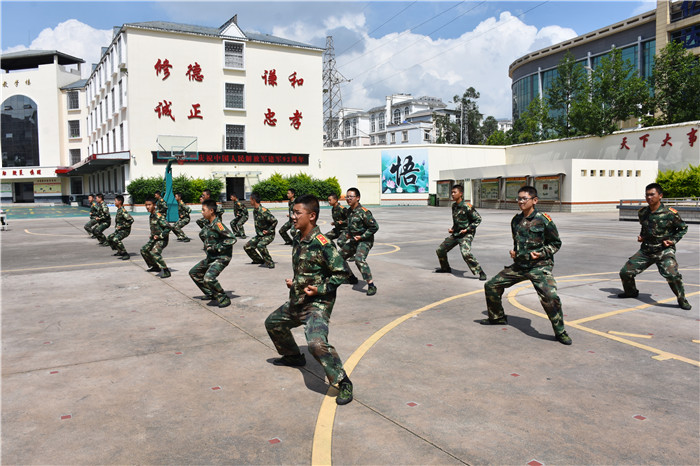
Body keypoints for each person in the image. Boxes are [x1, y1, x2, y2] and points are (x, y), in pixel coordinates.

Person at [265, 194, 353, 405]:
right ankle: (294, 356)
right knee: (273, 323)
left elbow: (342, 272)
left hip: (317, 304)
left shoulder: (323, 243)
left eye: (297, 213)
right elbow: (306, 269)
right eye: (292, 212)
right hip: (299, 299)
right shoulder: (298, 238)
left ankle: (343, 382)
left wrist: (319, 289)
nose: (293, 217)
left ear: (311, 216)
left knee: (316, 344)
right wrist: (295, 282)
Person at [481, 186, 572, 345]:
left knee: (550, 297)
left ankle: (560, 331)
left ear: (534, 200)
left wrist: (541, 253)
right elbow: (517, 242)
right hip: (520, 265)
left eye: (524, 198)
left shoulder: (544, 220)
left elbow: (556, 243)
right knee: (491, 285)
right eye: (519, 198)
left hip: (539, 266)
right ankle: (497, 317)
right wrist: (515, 253)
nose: (521, 201)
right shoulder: (516, 220)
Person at [618, 183, 691, 310]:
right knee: (625, 272)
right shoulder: (643, 212)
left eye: (652, 194)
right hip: (646, 250)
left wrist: (672, 240)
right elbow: (645, 227)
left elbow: (682, 228)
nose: (649, 197)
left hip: (664, 250)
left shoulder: (670, 213)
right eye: (647, 195)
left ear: (660, 196)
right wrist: (642, 236)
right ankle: (631, 292)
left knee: (672, 275)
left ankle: (682, 299)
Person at [189, 199, 236, 307]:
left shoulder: (218, 225)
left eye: (203, 210)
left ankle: (223, 298)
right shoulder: (208, 224)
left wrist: (216, 247)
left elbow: (231, 239)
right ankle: (211, 293)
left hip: (221, 257)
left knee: (208, 278)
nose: (202, 212)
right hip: (211, 257)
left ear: (211, 211)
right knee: (194, 272)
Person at [435, 184, 487, 280]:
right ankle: (445, 268)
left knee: (465, 253)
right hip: (457, 233)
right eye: (452, 192)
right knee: (440, 250)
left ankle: (480, 272)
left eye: (455, 192)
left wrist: (467, 229)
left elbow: (478, 219)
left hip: (466, 234)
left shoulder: (467, 206)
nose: (452, 194)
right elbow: (457, 221)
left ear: (461, 194)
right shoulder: (454, 206)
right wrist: (453, 229)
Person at [340, 187, 379, 296]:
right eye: (347, 197)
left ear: (357, 198)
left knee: (359, 259)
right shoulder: (349, 211)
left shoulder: (364, 212)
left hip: (365, 241)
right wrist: (348, 234)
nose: (348, 199)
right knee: (339, 257)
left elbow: (374, 227)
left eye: (351, 197)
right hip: (354, 240)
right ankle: (351, 277)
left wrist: (362, 237)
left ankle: (371, 285)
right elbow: (350, 225)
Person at [244, 192, 278, 268]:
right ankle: (258, 260)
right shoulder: (255, 210)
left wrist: (268, 230)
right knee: (247, 246)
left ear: (253, 200)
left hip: (268, 235)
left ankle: (270, 262)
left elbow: (275, 221)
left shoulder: (263, 211)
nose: (250, 201)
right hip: (260, 235)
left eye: (250, 200)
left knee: (260, 245)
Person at [141, 196, 172, 278]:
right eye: (146, 205)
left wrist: (160, 236)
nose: (147, 207)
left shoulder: (158, 215)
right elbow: (156, 228)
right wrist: (152, 235)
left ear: (154, 205)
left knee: (154, 252)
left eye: (149, 205)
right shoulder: (151, 215)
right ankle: (155, 266)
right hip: (154, 239)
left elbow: (168, 227)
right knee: (144, 250)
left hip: (162, 240)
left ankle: (166, 271)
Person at [107, 194, 133, 260]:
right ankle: (119, 251)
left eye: (115, 201)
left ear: (120, 202)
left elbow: (131, 220)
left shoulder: (123, 211)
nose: (114, 202)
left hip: (125, 230)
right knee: (109, 238)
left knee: (116, 239)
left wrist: (122, 226)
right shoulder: (119, 210)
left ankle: (125, 254)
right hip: (119, 230)